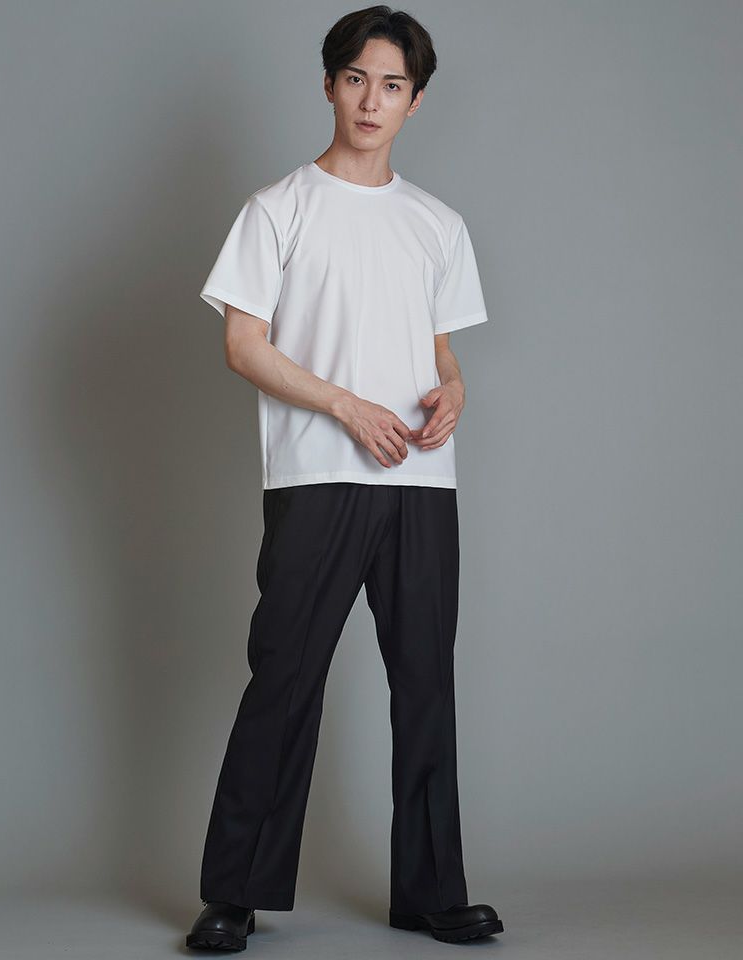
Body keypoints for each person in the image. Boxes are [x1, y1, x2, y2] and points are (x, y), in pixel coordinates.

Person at [186, 5, 504, 951]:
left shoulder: (438, 224)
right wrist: (345, 406)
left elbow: (439, 351)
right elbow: (243, 345)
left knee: (427, 685)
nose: (372, 100)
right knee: (284, 677)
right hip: (318, 475)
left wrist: (454, 390)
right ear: (329, 84)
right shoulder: (278, 209)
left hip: (423, 483)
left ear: (415, 101)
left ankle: (431, 892)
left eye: (393, 85)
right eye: (357, 79)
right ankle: (234, 893)